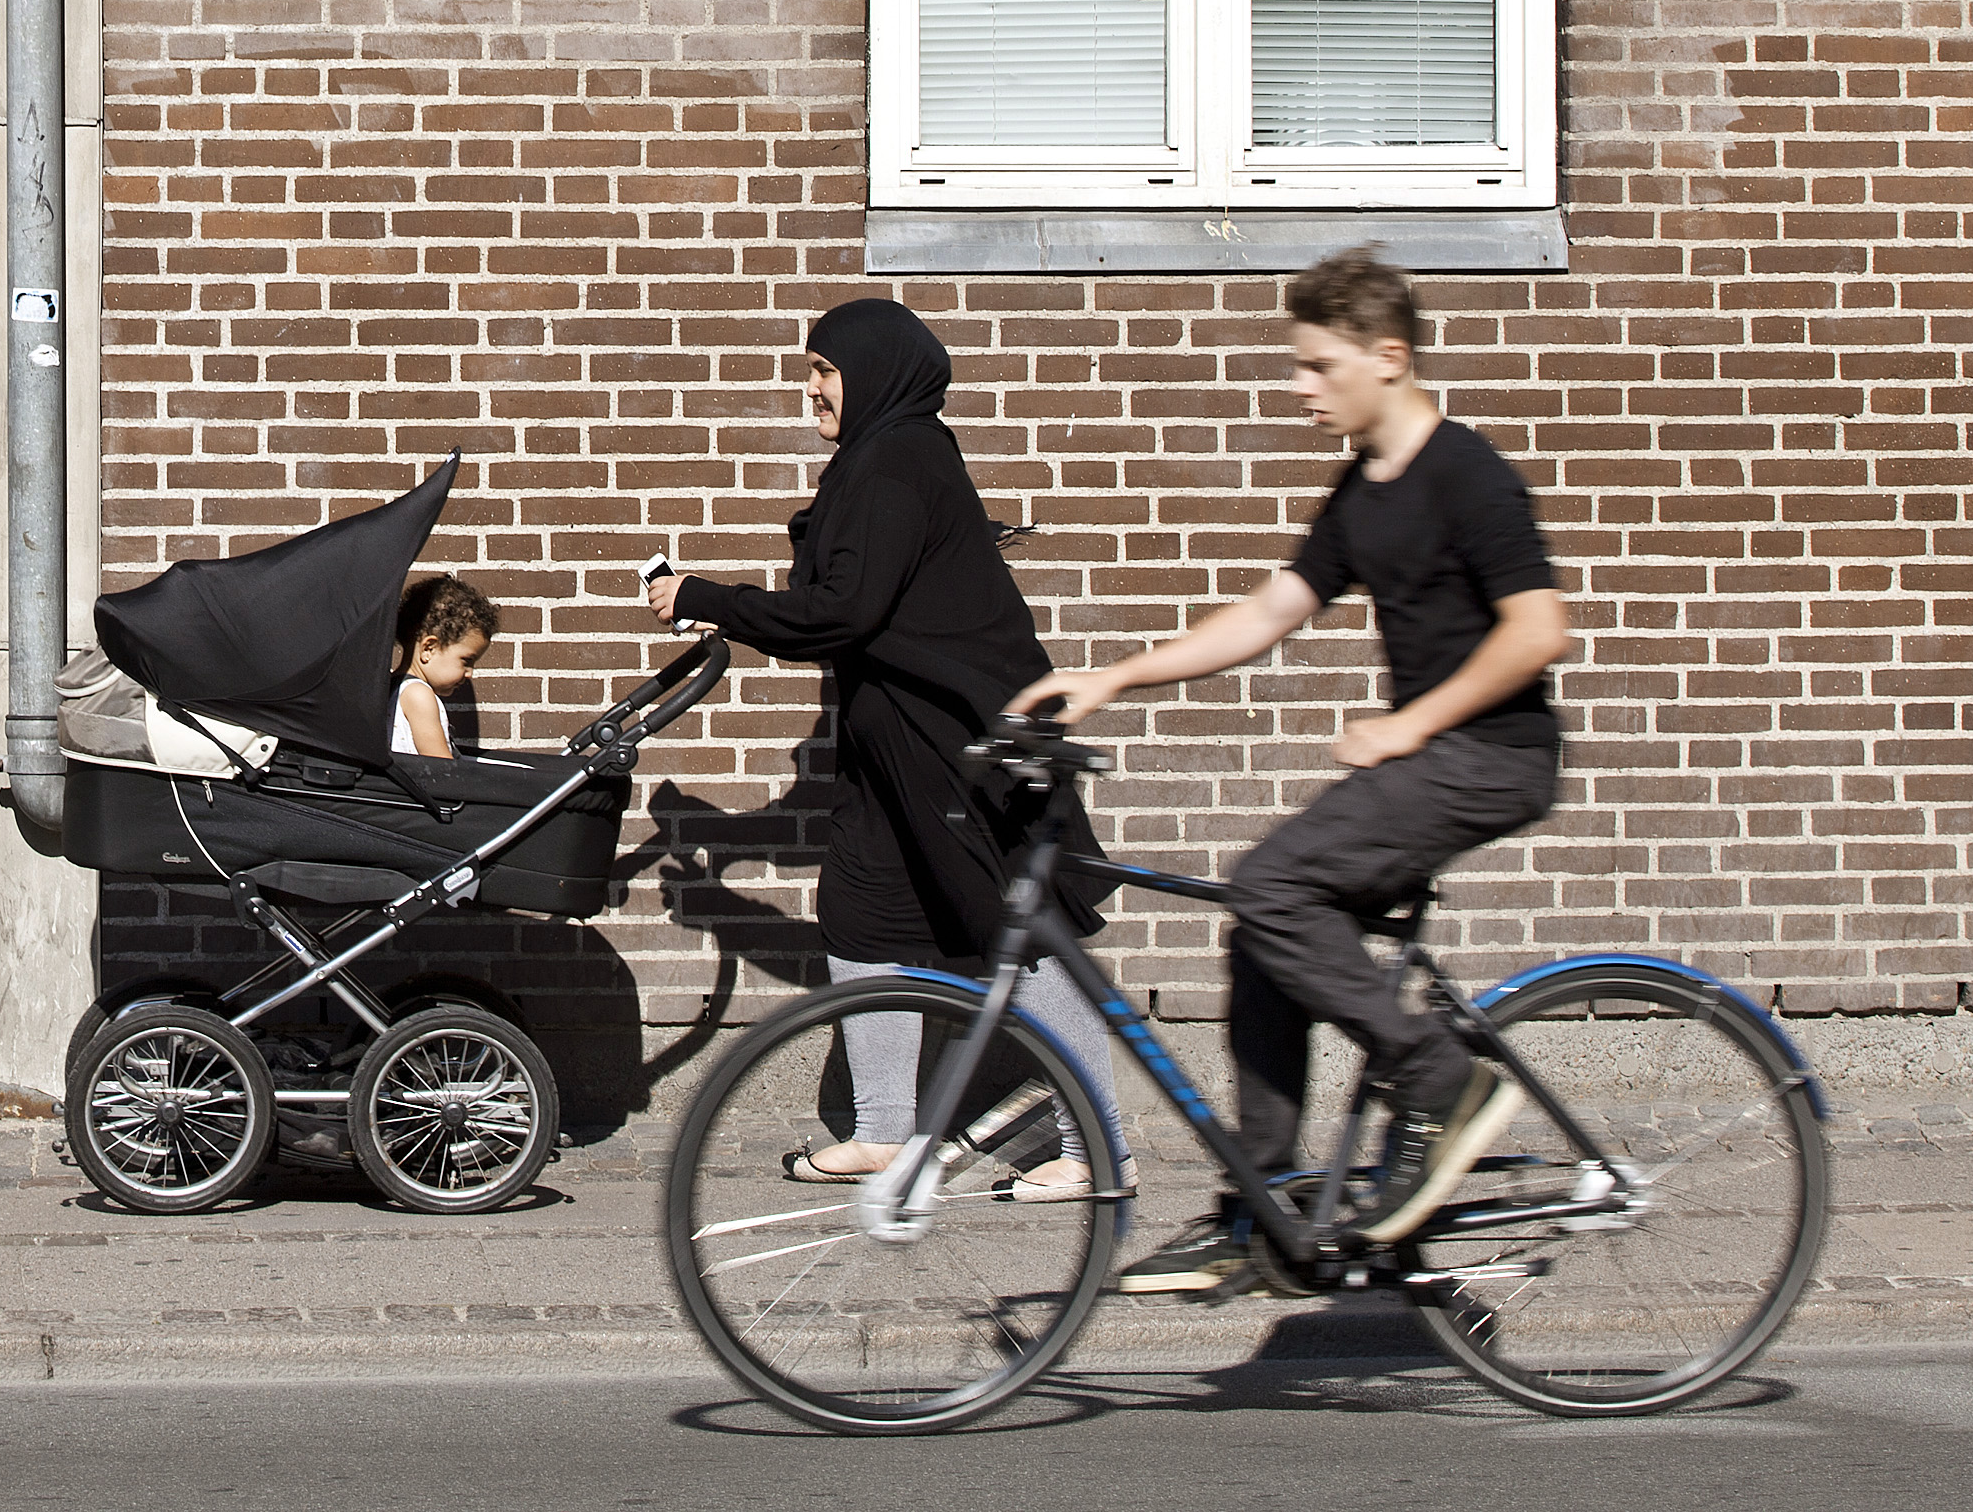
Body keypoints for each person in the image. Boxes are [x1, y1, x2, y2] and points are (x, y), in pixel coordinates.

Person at [1008, 248, 1569, 1289]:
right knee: (1261, 928)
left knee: (1272, 884)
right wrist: (1115, 674)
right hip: (1434, 755)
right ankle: (1262, 1207)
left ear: (1387, 357)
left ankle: (1444, 1084)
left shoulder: (1467, 474)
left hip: (1491, 756)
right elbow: (1271, 610)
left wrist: (1407, 726)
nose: (1300, 385)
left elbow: (1538, 630)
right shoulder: (1364, 488)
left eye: (1318, 365)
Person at [652, 298, 1121, 1191]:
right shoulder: (878, 460)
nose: (810, 390)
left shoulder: (900, 458)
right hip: (893, 743)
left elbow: (843, 610)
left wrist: (706, 596)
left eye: (824, 371)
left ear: (873, 371)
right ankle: (882, 1133)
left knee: (1014, 928)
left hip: (956, 743)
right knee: (864, 911)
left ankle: (1099, 1151)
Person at [388, 575, 498, 758]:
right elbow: (442, 768)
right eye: (466, 661)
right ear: (428, 649)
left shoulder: (392, 686)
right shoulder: (419, 695)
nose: (470, 673)